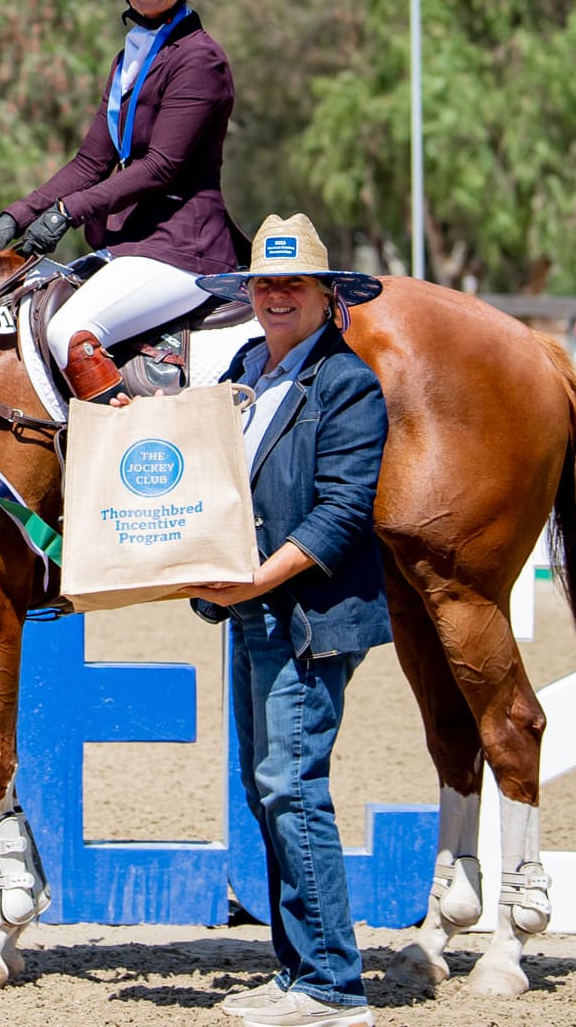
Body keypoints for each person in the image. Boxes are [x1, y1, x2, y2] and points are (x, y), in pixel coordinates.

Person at [190, 214, 391, 1025]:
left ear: (325, 296)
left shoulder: (347, 383)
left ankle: (332, 986)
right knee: (267, 786)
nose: (275, 294)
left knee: (290, 785)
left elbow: (341, 512)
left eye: (292, 283)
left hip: (308, 616)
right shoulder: (245, 366)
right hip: (255, 611)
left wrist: (254, 578)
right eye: (264, 282)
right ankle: (298, 970)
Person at [0, 0, 238, 400]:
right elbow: (91, 162)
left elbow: (161, 167)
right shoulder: (131, 59)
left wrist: (67, 213)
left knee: (68, 331)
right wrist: (17, 215)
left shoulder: (199, 60)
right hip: (133, 245)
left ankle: (122, 440)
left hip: (183, 248)